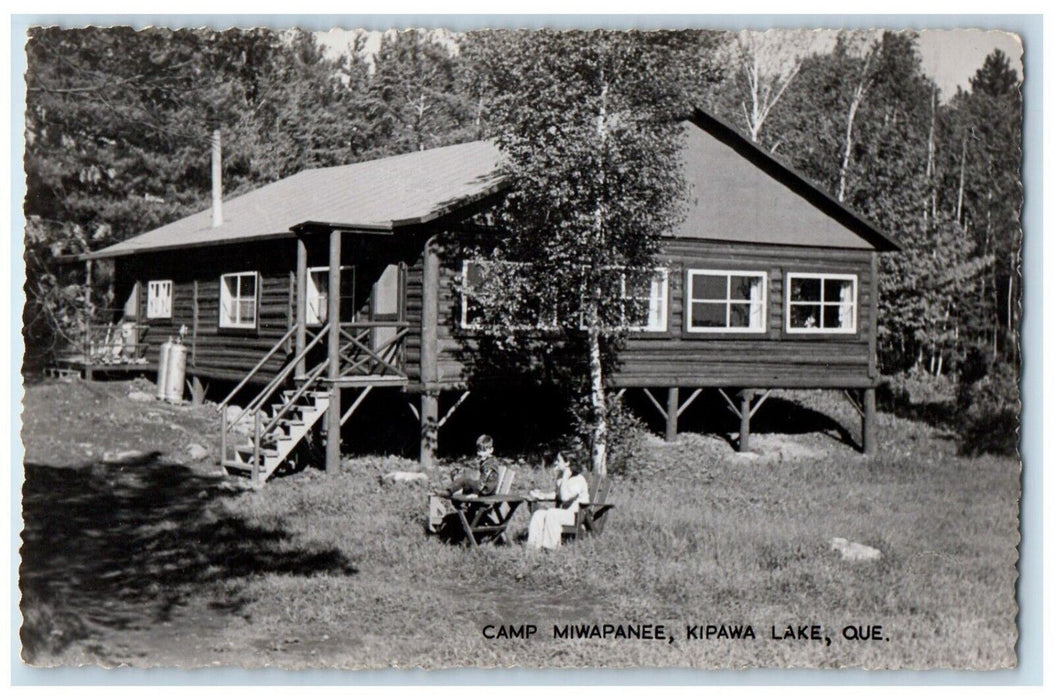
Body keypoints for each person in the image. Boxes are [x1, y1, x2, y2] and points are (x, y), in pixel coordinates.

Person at [427, 434, 500, 534]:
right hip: (486, 490)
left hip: (486, 493)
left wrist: (477, 494)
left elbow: (484, 481)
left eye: (483, 450)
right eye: (479, 450)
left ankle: (449, 493)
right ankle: (452, 494)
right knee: (465, 481)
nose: (480, 453)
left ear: (491, 450)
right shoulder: (488, 461)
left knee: (465, 481)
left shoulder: (489, 464)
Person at [525, 451, 590, 550]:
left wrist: (564, 477)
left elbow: (565, 497)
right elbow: (557, 494)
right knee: (539, 514)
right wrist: (542, 496)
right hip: (564, 513)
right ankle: (533, 547)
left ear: (567, 463)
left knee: (552, 513)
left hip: (576, 515)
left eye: (558, 460)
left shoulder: (578, 480)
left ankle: (551, 548)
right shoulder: (561, 477)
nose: (556, 463)